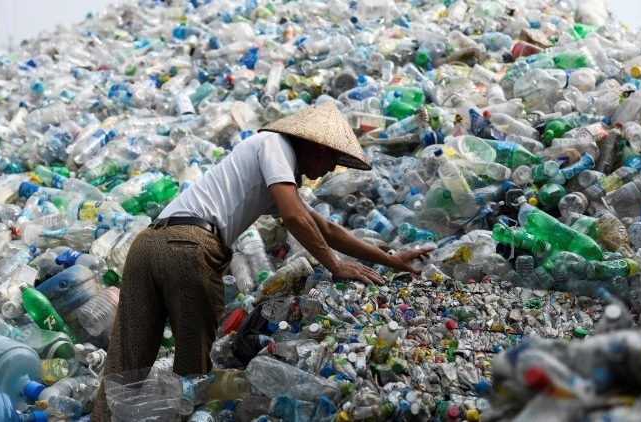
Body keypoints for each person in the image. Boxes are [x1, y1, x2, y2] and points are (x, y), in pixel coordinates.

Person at [92, 102, 430, 420]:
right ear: (317, 147)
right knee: (193, 375)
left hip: (147, 244)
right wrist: (336, 266)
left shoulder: (271, 173)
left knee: (125, 365)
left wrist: (391, 259)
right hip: (187, 247)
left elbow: (325, 228)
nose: (329, 170)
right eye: (331, 160)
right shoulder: (275, 145)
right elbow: (295, 217)